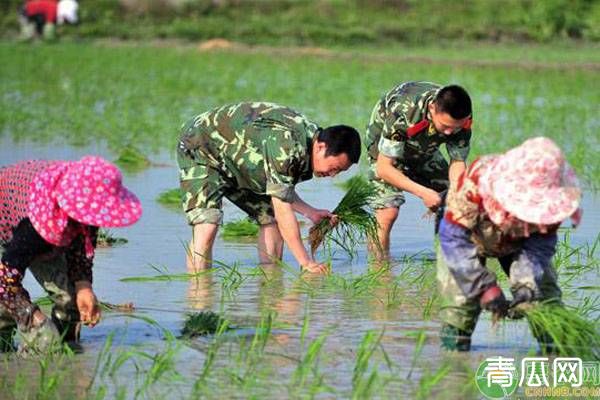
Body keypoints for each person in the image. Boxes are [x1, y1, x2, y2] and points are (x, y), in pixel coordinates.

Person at [177, 102, 361, 274]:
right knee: (207, 224)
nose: (333, 175)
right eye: (334, 168)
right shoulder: (287, 147)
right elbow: (283, 209)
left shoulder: (310, 141)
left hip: (238, 161)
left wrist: (310, 212)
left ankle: (270, 289)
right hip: (201, 146)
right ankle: (199, 297)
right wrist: (306, 263)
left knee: (270, 220)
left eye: (339, 171)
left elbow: (282, 190)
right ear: (321, 147)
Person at [436, 137, 582, 351]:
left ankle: (554, 355)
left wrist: (525, 285)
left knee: (544, 298)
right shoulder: (475, 183)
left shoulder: (555, 199)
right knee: (459, 305)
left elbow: (538, 248)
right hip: (467, 240)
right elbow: (453, 239)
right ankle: (456, 359)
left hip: (519, 242)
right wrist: (484, 288)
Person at [0, 156, 142, 353]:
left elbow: (83, 248)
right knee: (17, 318)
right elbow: (4, 282)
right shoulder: (32, 229)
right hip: (9, 219)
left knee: (71, 300)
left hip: (46, 225)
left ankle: (67, 352)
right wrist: (34, 319)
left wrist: (84, 287)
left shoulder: (89, 206)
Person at [365, 81, 472, 259]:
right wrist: (424, 193)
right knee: (388, 212)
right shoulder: (403, 111)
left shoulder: (462, 117)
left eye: (455, 128)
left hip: (424, 148)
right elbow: (384, 168)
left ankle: (451, 258)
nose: (448, 133)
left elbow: (458, 161)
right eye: (445, 126)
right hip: (385, 152)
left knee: (457, 199)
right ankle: (380, 270)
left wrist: (455, 193)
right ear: (432, 108)